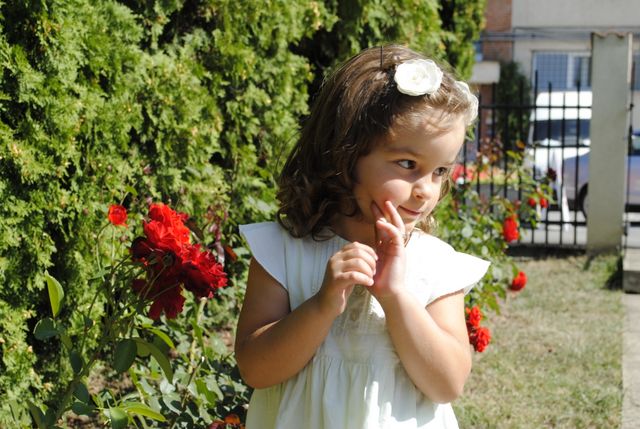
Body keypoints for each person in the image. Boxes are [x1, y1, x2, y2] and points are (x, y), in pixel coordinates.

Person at [234, 44, 490, 429]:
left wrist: (396, 296)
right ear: (345, 154)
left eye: (440, 171)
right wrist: (322, 306)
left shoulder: (435, 264)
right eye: (408, 164)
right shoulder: (284, 250)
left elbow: (448, 384)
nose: (426, 190)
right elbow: (256, 369)